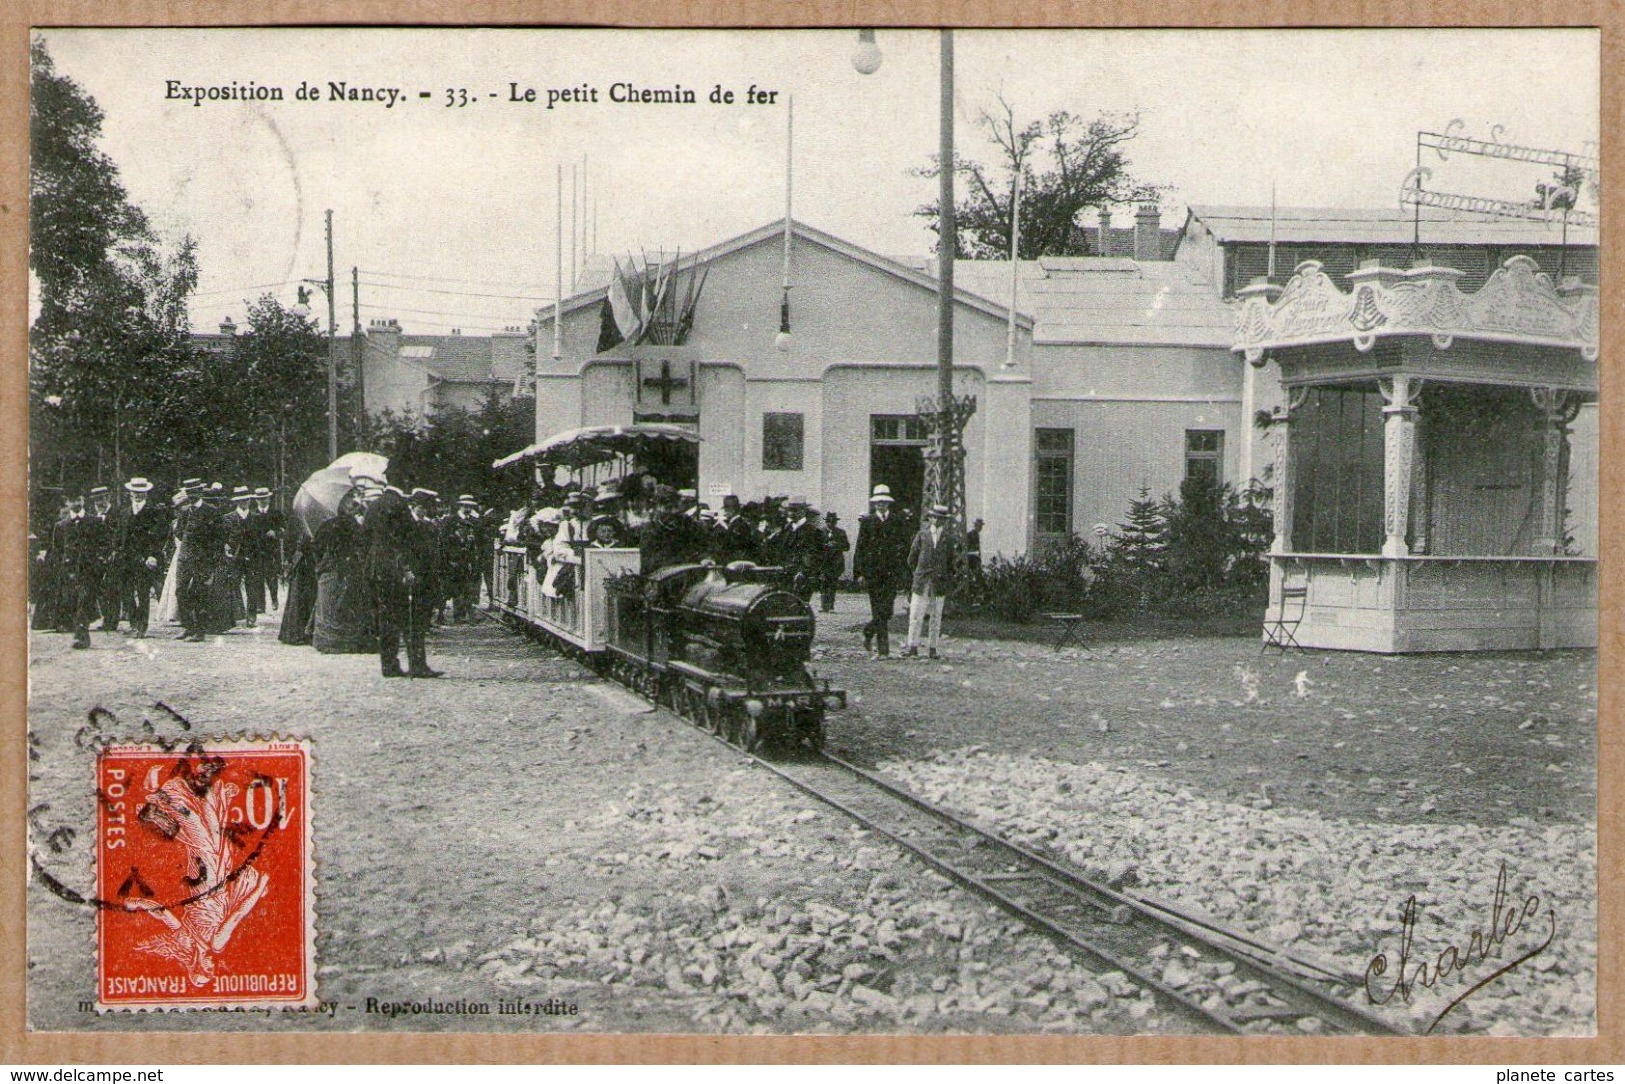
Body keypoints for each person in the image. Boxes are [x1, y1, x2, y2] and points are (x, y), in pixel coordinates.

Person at [364, 484, 441, 678]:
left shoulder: (374, 505)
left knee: (386, 617)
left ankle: (389, 665)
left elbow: (364, 538)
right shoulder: (400, 506)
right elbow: (407, 541)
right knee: (412, 617)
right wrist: (408, 569)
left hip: (376, 568)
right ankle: (417, 664)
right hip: (398, 570)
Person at [312, 486, 373, 654]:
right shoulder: (350, 525)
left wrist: (323, 562)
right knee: (342, 602)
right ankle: (345, 640)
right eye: (348, 502)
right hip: (344, 569)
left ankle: (333, 639)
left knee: (338, 602)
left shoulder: (329, 525)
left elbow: (316, 548)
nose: (351, 505)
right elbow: (364, 545)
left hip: (338, 569)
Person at [852, 484, 910, 658]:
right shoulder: (867, 522)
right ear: (874, 504)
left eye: (884, 502)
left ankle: (868, 632)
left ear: (888, 503)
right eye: (878, 502)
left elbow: (904, 547)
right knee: (878, 610)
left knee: (887, 611)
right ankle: (884, 650)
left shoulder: (897, 521)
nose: (881, 505)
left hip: (891, 572)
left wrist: (903, 572)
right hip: (873, 573)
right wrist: (859, 573)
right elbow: (860, 549)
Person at [111, 477, 169, 638]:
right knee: (126, 593)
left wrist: (153, 555)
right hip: (126, 559)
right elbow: (118, 535)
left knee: (143, 593)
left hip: (145, 560)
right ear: (130, 493)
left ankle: (141, 626)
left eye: (141, 493)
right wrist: (116, 550)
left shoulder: (154, 512)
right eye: (135, 492)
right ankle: (133, 623)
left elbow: (159, 536)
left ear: (146, 494)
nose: (138, 495)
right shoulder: (124, 512)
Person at [904, 504, 959, 659]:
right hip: (922, 581)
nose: (938, 521)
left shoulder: (948, 538)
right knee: (916, 614)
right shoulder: (922, 535)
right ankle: (912, 646)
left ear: (945, 520)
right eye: (935, 517)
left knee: (936, 616)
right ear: (930, 518)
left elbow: (951, 561)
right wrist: (919, 573)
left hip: (939, 582)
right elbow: (911, 558)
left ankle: (933, 648)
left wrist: (945, 575)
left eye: (942, 518)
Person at [222, 487, 257, 626]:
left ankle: (252, 616)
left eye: (247, 499)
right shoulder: (228, 518)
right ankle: (232, 616)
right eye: (242, 500)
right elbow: (223, 537)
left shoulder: (256, 518)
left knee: (252, 587)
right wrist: (226, 546)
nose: (245, 502)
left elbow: (260, 539)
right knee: (232, 585)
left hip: (252, 557)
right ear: (237, 501)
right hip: (234, 557)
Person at [779, 498, 822, 601]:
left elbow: (813, 554)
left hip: (802, 575)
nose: (790, 513)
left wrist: (804, 571)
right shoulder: (787, 529)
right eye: (789, 510)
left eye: (794, 510)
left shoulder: (811, 531)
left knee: (800, 605)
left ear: (802, 512)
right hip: (785, 573)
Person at [819, 511, 850, 614]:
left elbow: (847, 547)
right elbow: (815, 547)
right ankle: (823, 606)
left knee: (832, 584)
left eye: (833, 522)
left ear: (836, 522)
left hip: (836, 563)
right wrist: (825, 545)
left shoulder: (841, 532)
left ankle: (831, 606)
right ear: (826, 522)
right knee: (823, 583)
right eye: (828, 521)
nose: (830, 524)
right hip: (823, 562)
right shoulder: (820, 532)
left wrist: (836, 545)